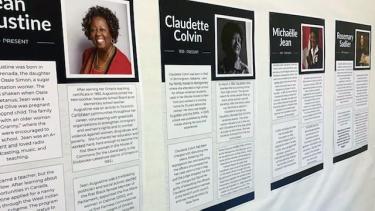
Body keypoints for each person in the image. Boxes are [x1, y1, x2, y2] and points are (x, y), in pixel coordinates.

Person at [80, 6, 131, 74]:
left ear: (112, 31)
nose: (98, 34)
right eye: (93, 30)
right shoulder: (87, 54)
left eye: (102, 29)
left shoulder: (124, 64)